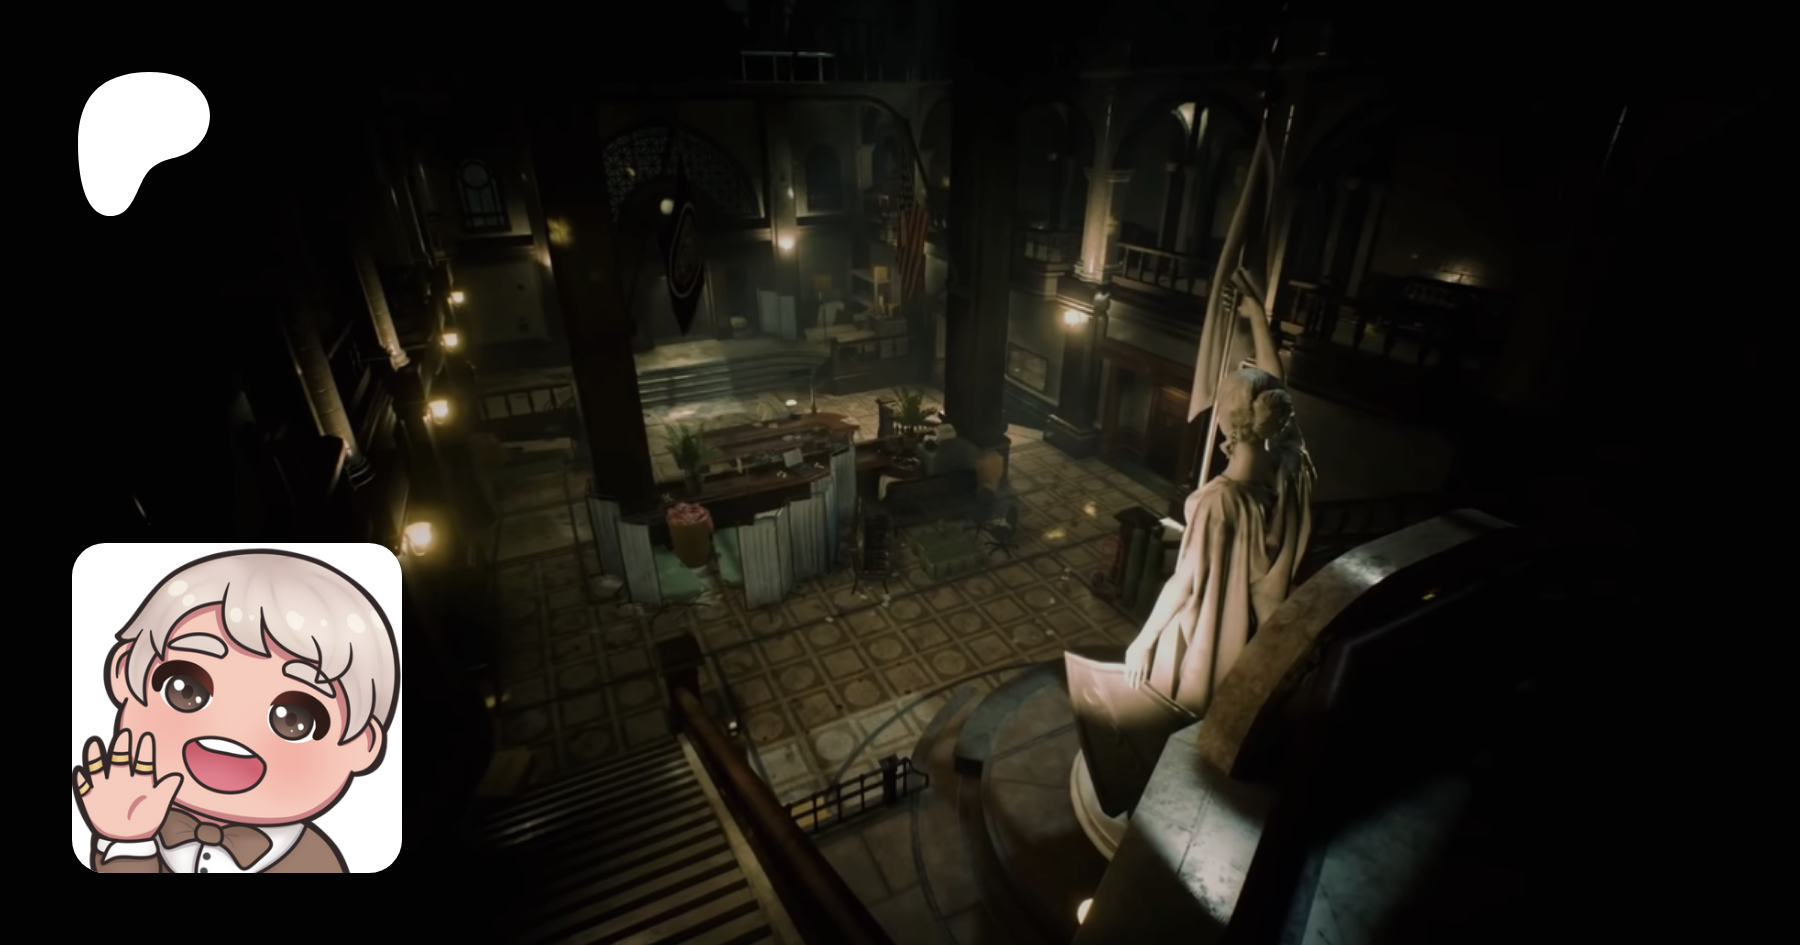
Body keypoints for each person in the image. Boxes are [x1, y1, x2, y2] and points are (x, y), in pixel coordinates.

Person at [72, 550, 398, 872]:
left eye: (293, 719)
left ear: (362, 744)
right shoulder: (136, 828)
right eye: (186, 691)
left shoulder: (314, 862)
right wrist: (128, 841)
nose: (229, 731)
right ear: (123, 672)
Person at [1122, 272, 1316, 717]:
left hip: (1212, 632)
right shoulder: (1289, 465)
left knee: (1173, 710)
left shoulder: (1219, 503)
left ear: (1230, 420)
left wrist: (1143, 641)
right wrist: (1257, 318)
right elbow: (1274, 385)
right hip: (1251, 630)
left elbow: (1185, 583)